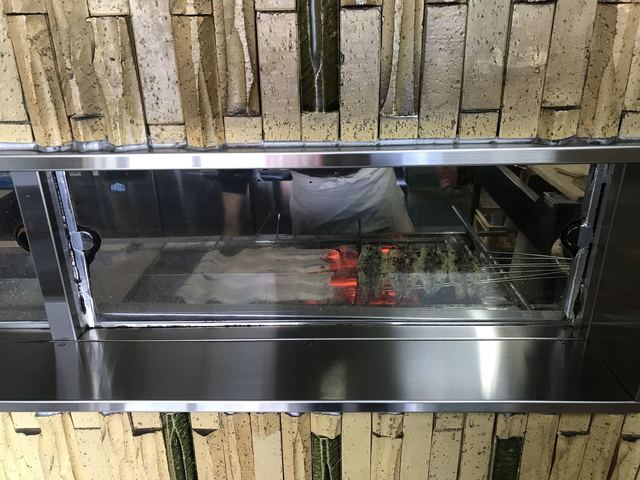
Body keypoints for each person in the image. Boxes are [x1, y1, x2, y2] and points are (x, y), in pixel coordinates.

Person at [220, 168, 415, 236]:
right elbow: (238, 144)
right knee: (318, 281)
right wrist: (231, 225)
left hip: (374, 186)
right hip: (312, 196)